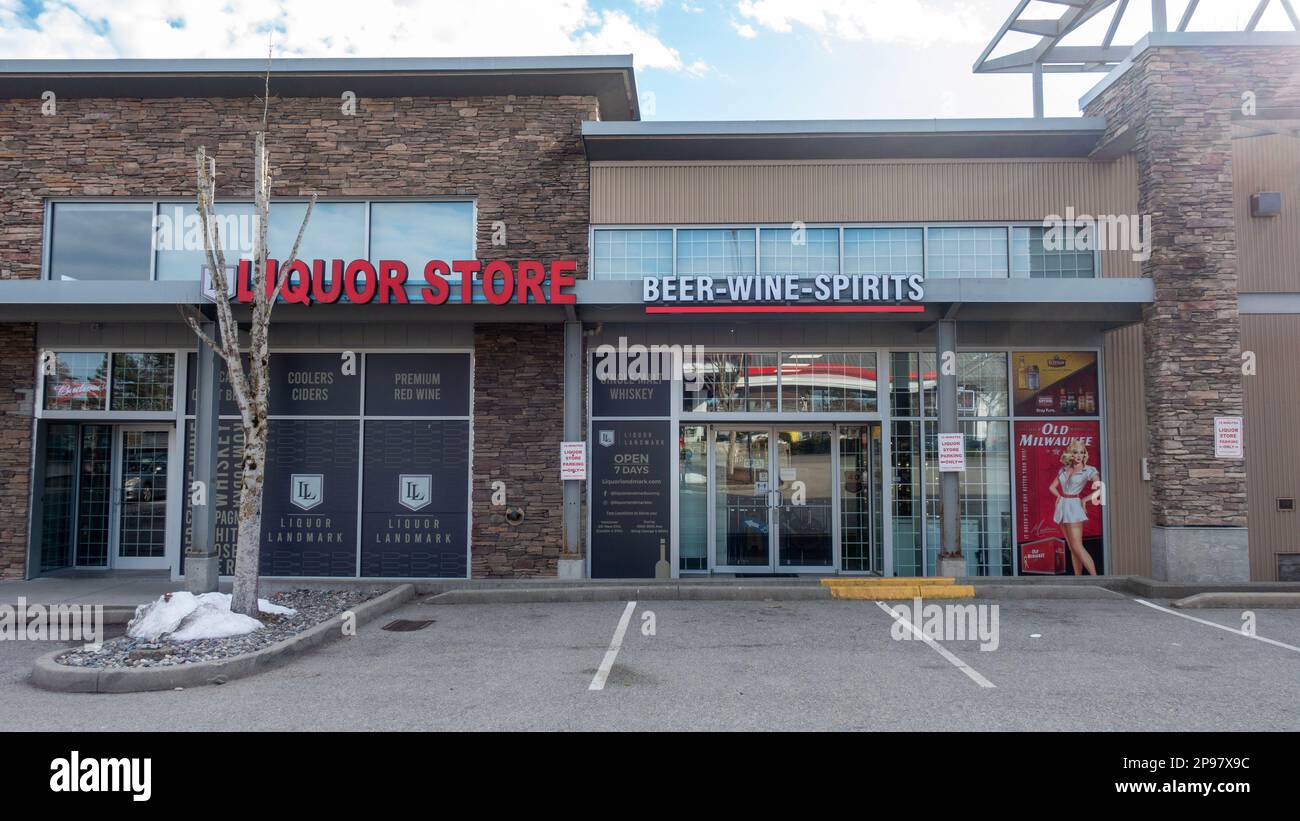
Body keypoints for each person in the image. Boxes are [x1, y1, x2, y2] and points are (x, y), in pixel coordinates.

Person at [1049, 438, 1101, 575]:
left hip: (1074, 507)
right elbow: (1052, 487)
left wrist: (1085, 500)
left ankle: (1095, 578)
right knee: (1072, 548)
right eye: (1076, 452)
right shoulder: (1064, 469)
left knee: (1077, 546)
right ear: (1071, 454)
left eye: (1082, 452)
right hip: (1063, 506)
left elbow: (1100, 489)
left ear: (1085, 454)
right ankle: (1078, 578)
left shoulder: (1089, 470)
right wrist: (1059, 497)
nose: (1079, 455)